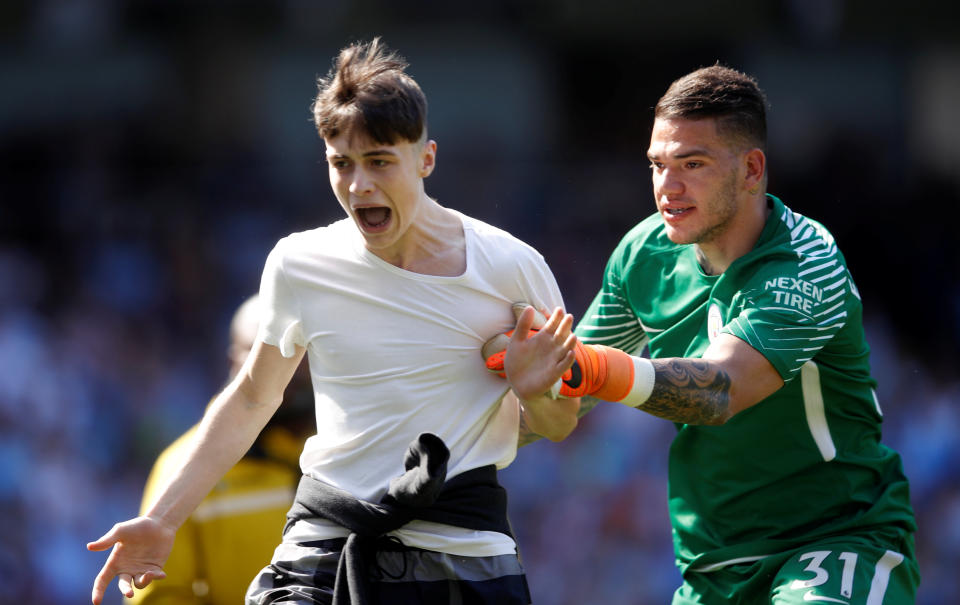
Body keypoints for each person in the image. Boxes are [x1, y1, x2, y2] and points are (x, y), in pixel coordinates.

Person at [88, 38, 580, 605]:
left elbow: (560, 421)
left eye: (379, 162)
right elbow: (251, 397)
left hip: (464, 556)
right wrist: (162, 519)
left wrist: (533, 389)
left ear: (426, 158)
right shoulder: (299, 263)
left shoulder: (514, 268)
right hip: (324, 545)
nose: (357, 185)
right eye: (340, 164)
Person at [494, 65, 920, 604]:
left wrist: (586, 370)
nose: (666, 188)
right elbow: (566, 399)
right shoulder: (643, 254)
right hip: (712, 565)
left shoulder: (805, 261)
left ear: (751, 169)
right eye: (657, 165)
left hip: (835, 543)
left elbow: (720, 390)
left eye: (691, 164)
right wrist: (456, 431)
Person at [129, 295, 314, 605]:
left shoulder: (354, 444)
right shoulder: (183, 467)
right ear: (233, 362)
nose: (281, 367)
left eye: (295, 349)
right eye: (259, 352)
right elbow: (159, 596)